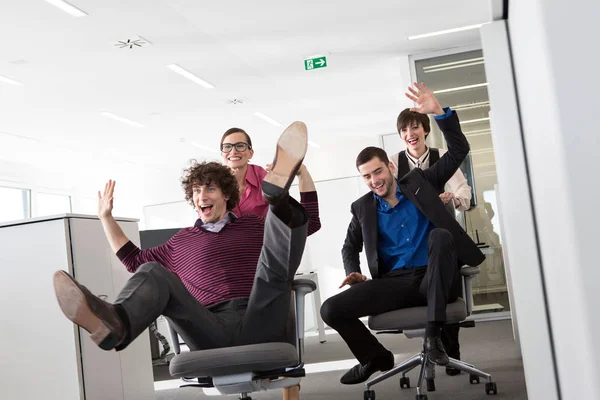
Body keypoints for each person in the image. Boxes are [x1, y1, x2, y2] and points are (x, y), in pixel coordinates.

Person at [52, 122, 320, 400]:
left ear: (226, 195)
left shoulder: (253, 225)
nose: (202, 196)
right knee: (152, 271)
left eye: (210, 190)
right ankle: (116, 324)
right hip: (208, 326)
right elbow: (132, 259)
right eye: (196, 192)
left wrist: (301, 179)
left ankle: (277, 197)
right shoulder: (180, 241)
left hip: (260, 317)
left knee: (272, 264)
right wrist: (106, 218)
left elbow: (306, 224)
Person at [320, 82, 485, 385]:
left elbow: (459, 150)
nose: (374, 180)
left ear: (391, 167)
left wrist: (439, 113)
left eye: (378, 172)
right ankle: (376, 357)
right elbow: (349, 247)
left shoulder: (422, 182)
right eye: (367, 176)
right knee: (331, 309)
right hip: (394, 284)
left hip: (434, 276)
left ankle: (434, 338)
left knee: (440, 236)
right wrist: (353, 271)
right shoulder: (362, 208)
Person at [390, 107, 473, 375]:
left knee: (447, 293)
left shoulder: (440, 158)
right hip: (412, 242)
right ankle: (430, 345)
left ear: (425, 130)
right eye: (404, 130)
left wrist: (454, 198)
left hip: (443, 235)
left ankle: (452, 350)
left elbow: (464, 191)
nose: (409, 134)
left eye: (414, 127)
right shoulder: (394, 163)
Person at [220, 127, 317, 219]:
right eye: (227, 147)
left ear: (251, 153)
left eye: (240, 146)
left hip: (263, 235)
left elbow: (292, 221)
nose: (233, 151)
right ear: (222, 154)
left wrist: (302, 172)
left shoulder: (266, 180)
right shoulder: (212, 181)